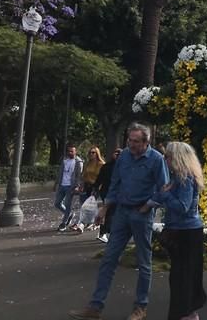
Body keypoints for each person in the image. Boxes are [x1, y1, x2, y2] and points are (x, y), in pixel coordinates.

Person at [69, 123, 169, 320]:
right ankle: (95, 307)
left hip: (142, 215)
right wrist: (104, 208)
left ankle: (140, 307)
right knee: (109, 259)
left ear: (146, 142)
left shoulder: (157, 159)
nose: (131, 144)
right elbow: (114, 184)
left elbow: (163, 188)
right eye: (129, 140)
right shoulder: (123, 156)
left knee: (144, 262)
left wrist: (149, 205)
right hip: (122, 213)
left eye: (135, 141)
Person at [151, 142, 207, 320]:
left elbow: (182, 206)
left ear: (177, 158)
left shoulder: (185, 178)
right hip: (183, 231)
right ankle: (189, 313)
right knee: (183, 277)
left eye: (167, 156)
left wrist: (165, 193)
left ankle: (184, 314)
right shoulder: (177, 177)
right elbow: (161, 196)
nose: (165, 159)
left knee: (182, 278)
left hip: (186, 233)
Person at [73, 146, 106, 232]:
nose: (91, 154)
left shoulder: (101, 164)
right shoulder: (88, 163)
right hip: (86, 186)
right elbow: (84, 175)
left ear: (97, 153)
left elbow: (103, 177)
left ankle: (82, 224)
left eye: (93, 152)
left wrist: (99, 187)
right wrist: (81, 185)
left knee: (87, 206)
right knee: (84, 205)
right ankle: (92, 222)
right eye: (90, 152)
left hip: (95, 187)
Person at [93, 148, 121, 243]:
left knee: (111, 212)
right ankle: (104, 232)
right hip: (107, 192)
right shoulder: (107, 166)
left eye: (119, 153)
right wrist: (95, 188)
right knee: (110, 212)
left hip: (117, 192)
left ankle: (105, 231)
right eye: (115, 153)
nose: (116, 155)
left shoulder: (123, 166)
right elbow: (100, 178)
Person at [53, 145, 83, 232]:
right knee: (57, 203)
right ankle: (69, 214)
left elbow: (79, 175)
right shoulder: (65, 161)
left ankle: (64, 223)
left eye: (72, 151)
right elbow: (60, 173)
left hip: (71, 186)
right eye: (68, 151)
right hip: (62, 185)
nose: (70, 153)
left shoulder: (78, 162)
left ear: (75, 152)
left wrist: (77, 186)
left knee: (67, 204)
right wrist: (56, 183)